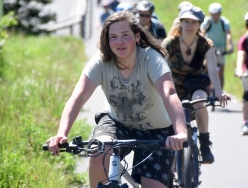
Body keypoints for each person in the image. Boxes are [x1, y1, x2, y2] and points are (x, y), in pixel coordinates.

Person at [46, 11, 188, 188]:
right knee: (98, 151)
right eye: (113, 37)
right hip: (116, 122)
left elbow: (170, 94)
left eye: (125, 35)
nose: (119, 41)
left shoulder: (151, 58)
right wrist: (62, 133)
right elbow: (78, 97)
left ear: (137, 36)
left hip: (157, 129)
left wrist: (180, 132)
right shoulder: (101, 61)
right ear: (107, 41)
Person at [162, 5, 230, 164]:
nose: (189, 26)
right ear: (180, 23)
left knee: (200, 102)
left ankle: (205, 145)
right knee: (167, 121)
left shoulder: (205, 43)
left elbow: (213, 69)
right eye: (186, 21)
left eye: (193, 22)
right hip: (174, 88)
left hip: (196, 85)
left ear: (200, 24)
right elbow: (159, 66)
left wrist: (219, 92)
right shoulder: (170, 43)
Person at [200, 3, 234, 90]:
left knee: (221, 70)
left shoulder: (224, 22)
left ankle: (220, 91)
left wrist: (230, 46)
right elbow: (202, 33)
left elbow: (228, 34)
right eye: (213, 15)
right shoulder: (207, 21)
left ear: (220, 14)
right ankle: (206, 86)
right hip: (209, 46)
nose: (215, 17)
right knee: (205, 65)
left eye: (216, 14)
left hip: (220, 47)